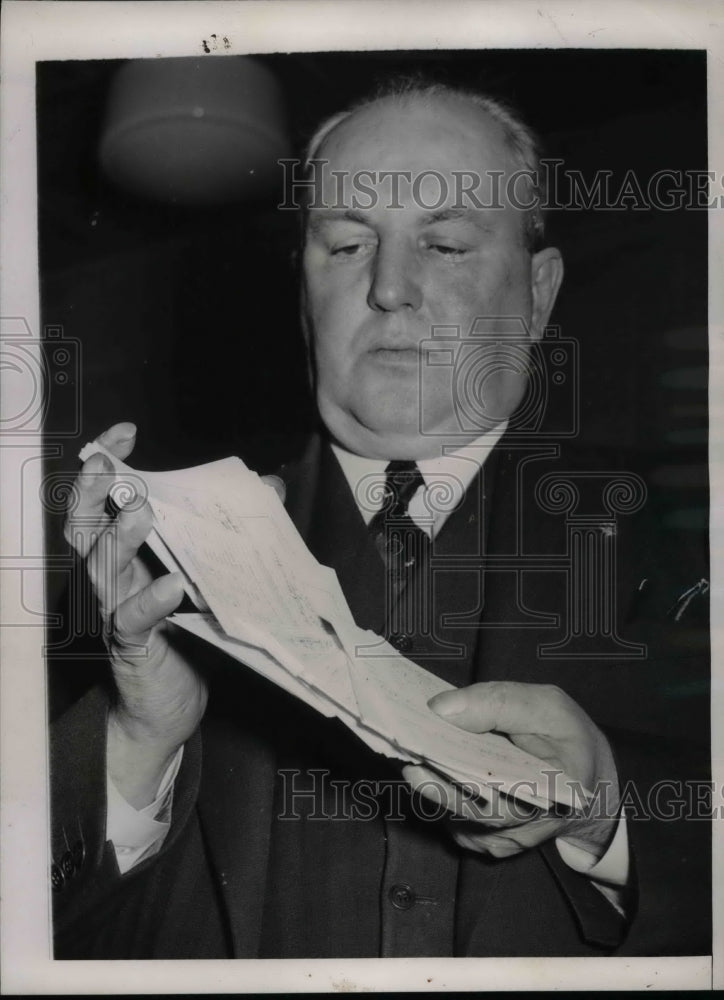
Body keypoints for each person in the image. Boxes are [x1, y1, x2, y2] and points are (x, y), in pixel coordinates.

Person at [50, 80, 710, 958]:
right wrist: (141, 736)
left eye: (444, 244)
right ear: (302, 294)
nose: (390, 289)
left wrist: (611, 818)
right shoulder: (155, 562)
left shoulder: (689, 544)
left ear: (540, 294)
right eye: (348, 243)